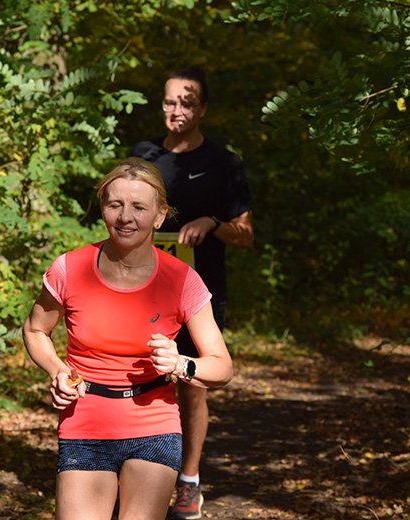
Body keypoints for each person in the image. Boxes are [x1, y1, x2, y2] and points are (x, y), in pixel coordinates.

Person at [23, 158, 234, 520]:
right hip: (85, 422)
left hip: (154, 423)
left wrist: (182, 363)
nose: (125, 217)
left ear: (159, 215)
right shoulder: (69, 269)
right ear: (103, 207)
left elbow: (222, 366)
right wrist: (57, 369)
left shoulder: (181, 279)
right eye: (115, 204)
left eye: (138, 207)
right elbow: (35, 329)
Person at [131, 66, 254, 519]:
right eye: (169, 101)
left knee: (191, 384)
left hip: (198, 293)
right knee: (138, 381)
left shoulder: (224, 162)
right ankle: (138, 474)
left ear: (202, 108)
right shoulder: (144, 156)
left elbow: (245, 234)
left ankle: (188, 480)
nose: (176, 110)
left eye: (186, 102)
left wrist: (212, 224)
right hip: (141, 291)